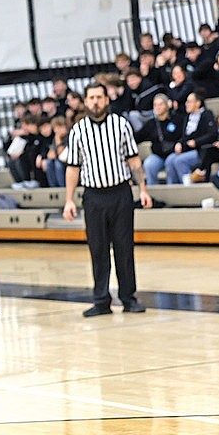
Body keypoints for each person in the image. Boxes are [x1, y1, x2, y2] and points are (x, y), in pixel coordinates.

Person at [63, 82, 153, 317]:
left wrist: (142, 189)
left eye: (99, 97)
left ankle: (128, 298)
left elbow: (134, 160)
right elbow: (73, 168)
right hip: (93, 196)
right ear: (85, 101)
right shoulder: (78, 130)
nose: (95, 101)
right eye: (91, 97)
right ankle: (101, 300)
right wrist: (69, 200)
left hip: (120, 193)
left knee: (124, 248)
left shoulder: (121, 125)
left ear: (106, 100)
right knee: (98, 249)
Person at [163, 91, 217, 184]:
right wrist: (179, 143)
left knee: (179, 161)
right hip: (187, 148)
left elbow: (212, 134)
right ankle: (173, 187)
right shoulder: (187, 117)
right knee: (169, 160)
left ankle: (187, 187)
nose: (186, 104)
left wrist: (196, 142)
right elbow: (184, 136)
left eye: (189, 102)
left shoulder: (207, 114)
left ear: (198, 103)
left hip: (200, 150)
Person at [134, 94, 182, 185]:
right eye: (155, 105)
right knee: (148, 164)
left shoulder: (177, 119)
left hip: (174, 154)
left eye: (160, 104)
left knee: (170, 162)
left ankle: (172, 189)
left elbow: (183, 136)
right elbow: (138, 137)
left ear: (167, 105)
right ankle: (153, 191)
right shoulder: (151, 123)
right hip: (158, 155)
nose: (157, 107)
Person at [44, 114, 69, 188]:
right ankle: (53, 188)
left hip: (68, 163)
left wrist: (58, 141)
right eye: (54, 128)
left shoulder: (69, 136)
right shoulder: (56, 138)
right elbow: (50, 155)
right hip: (58, 160)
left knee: (58, 164)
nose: (56, 130)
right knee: (48, 163)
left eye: (58, 127)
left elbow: (61, 154)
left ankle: (62, 188)